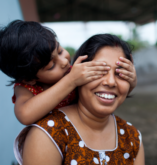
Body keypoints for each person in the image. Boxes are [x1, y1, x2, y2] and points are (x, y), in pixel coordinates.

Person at [14, 34, 144, 165]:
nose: (111, 82)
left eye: (120, 73)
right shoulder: (49, 134)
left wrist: (128, 85)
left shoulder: (132, 136)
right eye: (99, 71)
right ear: (79, 75)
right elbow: (25, 114)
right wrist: (71, 80)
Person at [0, 20, 114, 125]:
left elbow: (107, 85)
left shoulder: (74, 72)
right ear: (29, 79)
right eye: (51, 66)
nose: (64, 62)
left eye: (60, 51)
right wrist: (70, 81)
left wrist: (130, 82)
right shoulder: (26, 88)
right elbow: (25, 116)